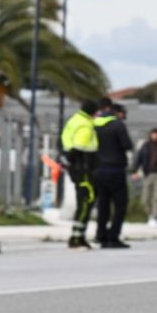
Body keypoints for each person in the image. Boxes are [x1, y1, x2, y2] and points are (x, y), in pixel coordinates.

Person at [93, 98, 133, 248]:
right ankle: (113, 236)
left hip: (99, 170)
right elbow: (127, 145)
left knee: (103, 205)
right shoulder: (117, 125)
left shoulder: (93, 125)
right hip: (115, 170)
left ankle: (100, 235)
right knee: (120, 206)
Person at [60, 99, 99, 250]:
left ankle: (79, 236)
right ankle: (76, 238)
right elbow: (79, 147)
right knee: (86, 202)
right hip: (84, 169)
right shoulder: (85, 125)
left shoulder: (74, 120)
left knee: (83, 202)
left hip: (75, 169)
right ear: (93, 112)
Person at [133, 127, 157, 227]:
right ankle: (150, 215)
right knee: (146, 197)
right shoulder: (146, 146)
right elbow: (139, 158)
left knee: (156, 197)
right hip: (148, 173)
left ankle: (154, 217)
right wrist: (135, 171)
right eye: (154, 134)